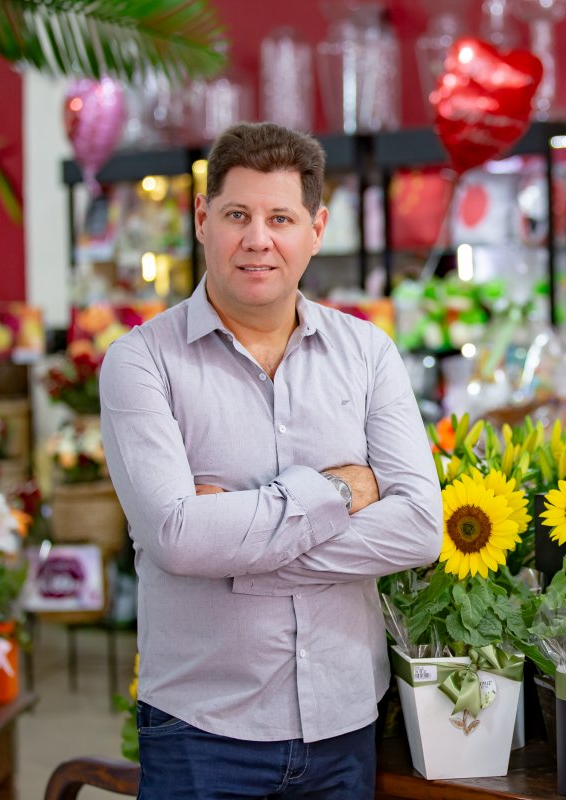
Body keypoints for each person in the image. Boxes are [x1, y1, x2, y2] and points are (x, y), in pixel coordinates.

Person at [99, 121, 442, 799]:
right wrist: (337, 493)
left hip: (343, 725)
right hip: (201, 732)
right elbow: (175, 536)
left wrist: (235, 544)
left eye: (280, 217)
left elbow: (419, 526)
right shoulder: (141, 363)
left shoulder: (368, 353)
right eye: (237, 215)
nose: (258, 239)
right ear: (202, 220)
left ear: (315, 228)